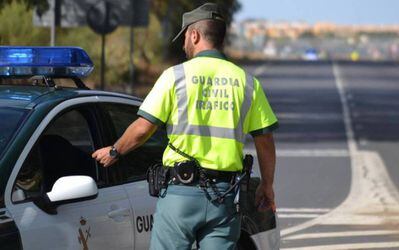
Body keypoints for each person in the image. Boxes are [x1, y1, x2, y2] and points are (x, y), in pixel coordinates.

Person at [92, 3, 278, 249]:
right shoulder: (247, 83)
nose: (183, 46)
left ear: (195, 35)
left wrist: (114, 151)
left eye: (185, 39)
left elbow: (142, 129)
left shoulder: (175, 77)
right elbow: (265, 143)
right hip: (223, 197)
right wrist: (267, 186)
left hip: (181, 195)